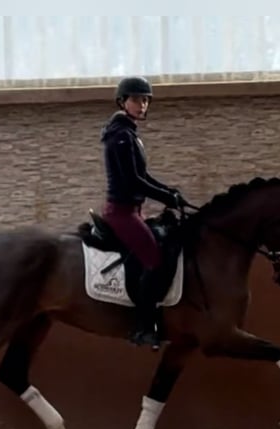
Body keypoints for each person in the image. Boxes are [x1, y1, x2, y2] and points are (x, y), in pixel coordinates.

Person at [99, 75, 187, 349]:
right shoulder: (121, 137)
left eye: (146, 100)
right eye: (137, 99)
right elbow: (134, 181)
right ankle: (143, 326)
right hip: (122, 213)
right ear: (123, 101)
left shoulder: (129, 134)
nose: (143, 104)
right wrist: (164, 196)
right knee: (154, 259)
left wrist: (170, 193)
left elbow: (143, 175)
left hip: (133, 210)